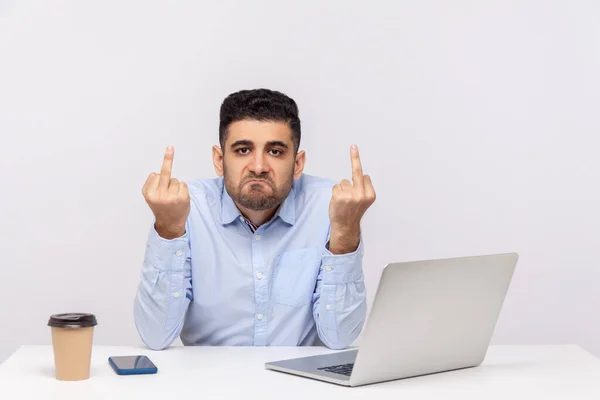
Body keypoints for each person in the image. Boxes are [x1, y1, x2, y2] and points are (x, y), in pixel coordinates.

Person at [133, 88, 376, 350]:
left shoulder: (334, 207)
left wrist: (346, 233)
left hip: (300, 387)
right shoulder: (185, 208)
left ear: (297, 163)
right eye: (243, 150)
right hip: (208, 383)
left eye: (275, 151)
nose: (258, 166)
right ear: (219, 159)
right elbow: (155, 336)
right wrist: (168, 229)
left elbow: (340, 337)